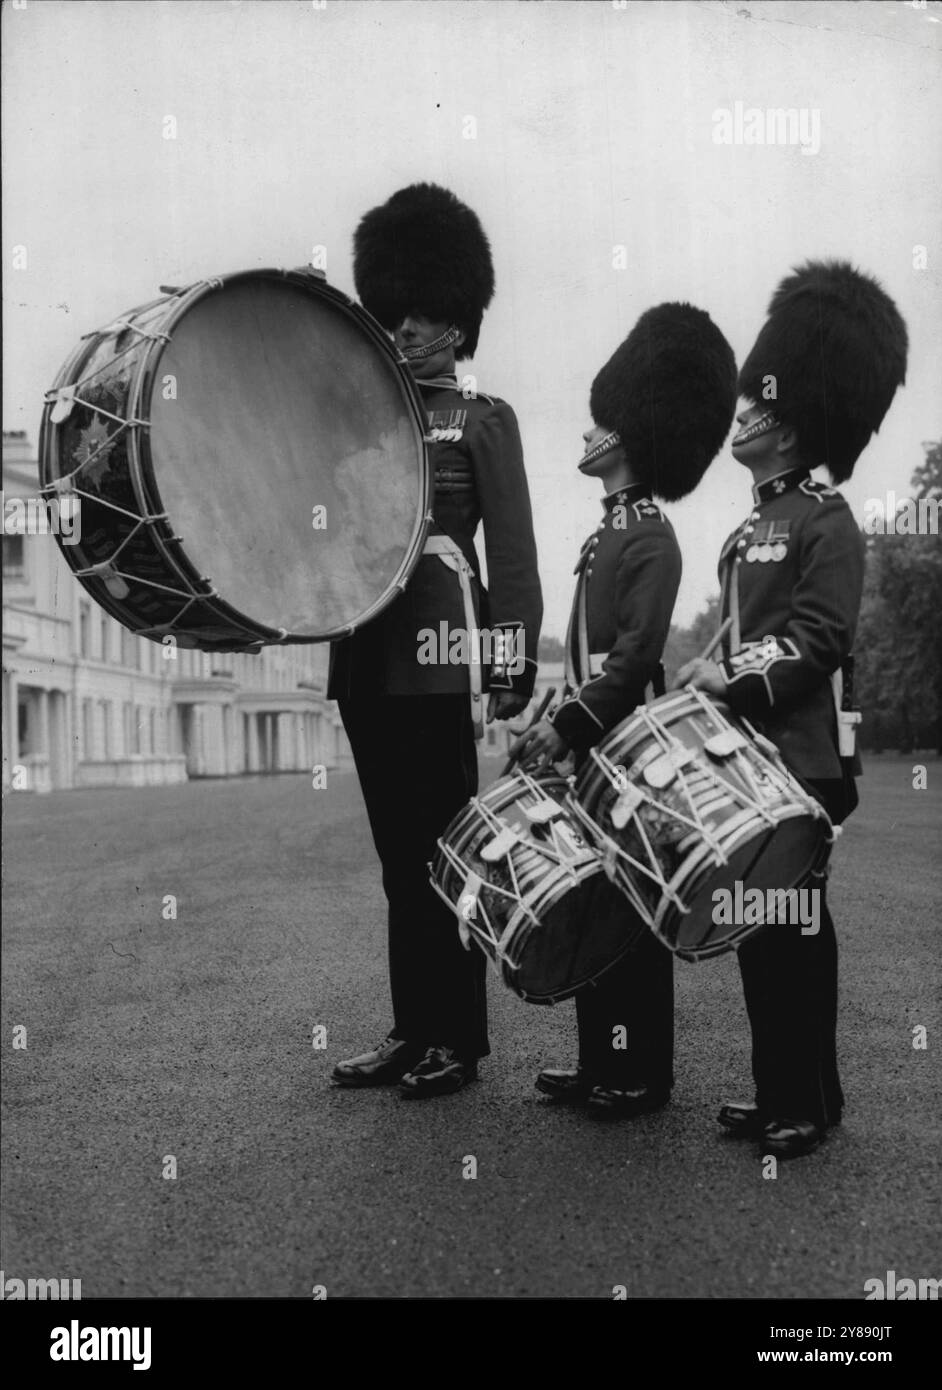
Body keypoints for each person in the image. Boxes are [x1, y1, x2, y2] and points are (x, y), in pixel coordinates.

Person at [675, 260, 908, 1157]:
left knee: (795, 928)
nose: (742, 415)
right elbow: (750, 632)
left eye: (757, 407)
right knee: (760, 931)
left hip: (804, 758)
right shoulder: (749, 529)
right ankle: (790, 1089)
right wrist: (709, 666)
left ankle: (803, 1101)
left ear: (792, 421)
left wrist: (732, 677)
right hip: (752, 762)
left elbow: (819, 638)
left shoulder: (826, 517)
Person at [328, 183, 543, 1098]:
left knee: (444, 852)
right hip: (365, 658)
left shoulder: (484, 419)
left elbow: (514, 552)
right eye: (396, 314)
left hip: (439, 659)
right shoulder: (363, 417)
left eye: (422, 316)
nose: (405, 330)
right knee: (395, 859)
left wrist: (510, 662)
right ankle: (412, 1028)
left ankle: (458, 1037)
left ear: (457, 323)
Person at [513, 302, 738, 1118]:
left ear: (631, 436)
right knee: (597, 905)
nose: (587, 434)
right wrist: (551, 713)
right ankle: (599, 1060)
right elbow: (587, 656)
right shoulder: (609, 530)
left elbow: (635, 659)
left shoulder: (650, 534)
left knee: (635, 912)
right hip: (593, 745)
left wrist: (567, 725)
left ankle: (642, 1073)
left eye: (601, 425)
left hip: (627, 747)